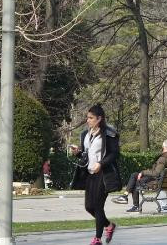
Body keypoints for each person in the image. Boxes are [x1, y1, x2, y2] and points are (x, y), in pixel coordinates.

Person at [70, 104, 121, 245]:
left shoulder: (109, 133)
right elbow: (86, 154)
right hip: (90, 173)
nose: (88, 120)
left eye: (91, 118)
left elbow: (114, 153)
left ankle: (97, 239)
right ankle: (109, 225)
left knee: (98, 206)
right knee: (89, 207)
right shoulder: (85, 134)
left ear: (99, 118)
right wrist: (78, 153)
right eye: (87, 117)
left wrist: (101, 164)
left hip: (104, 174)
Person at [112, 139, 167, 213]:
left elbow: (156, 173)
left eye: (162, 147)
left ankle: (130, 201)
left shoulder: (163, 159)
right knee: (135, 175)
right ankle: (125, 196)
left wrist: (143, 172)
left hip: (158, 182)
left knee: (136, 179)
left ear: (165, 147)